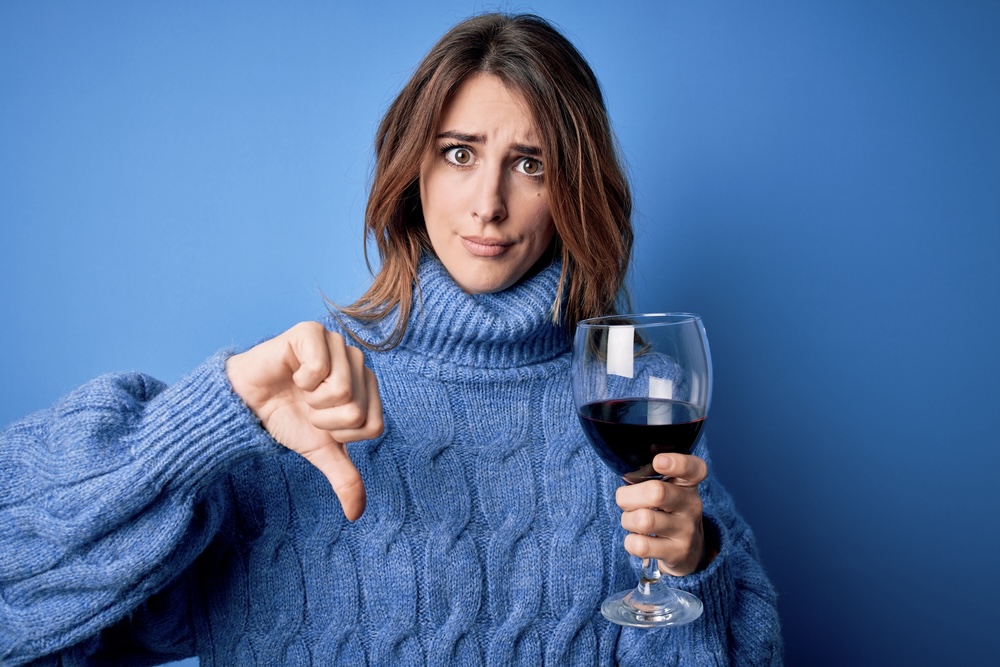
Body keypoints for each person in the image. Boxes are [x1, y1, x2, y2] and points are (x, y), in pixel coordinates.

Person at [0, 13, 781, 667]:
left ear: (572, 188)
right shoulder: (298, 396)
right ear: (414, 170)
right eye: (459, 153)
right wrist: (211, 412)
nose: (488, 202)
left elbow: (750, 652)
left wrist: (692, 566)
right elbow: (18, 589)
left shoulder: (628, 395)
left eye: (530, 164)